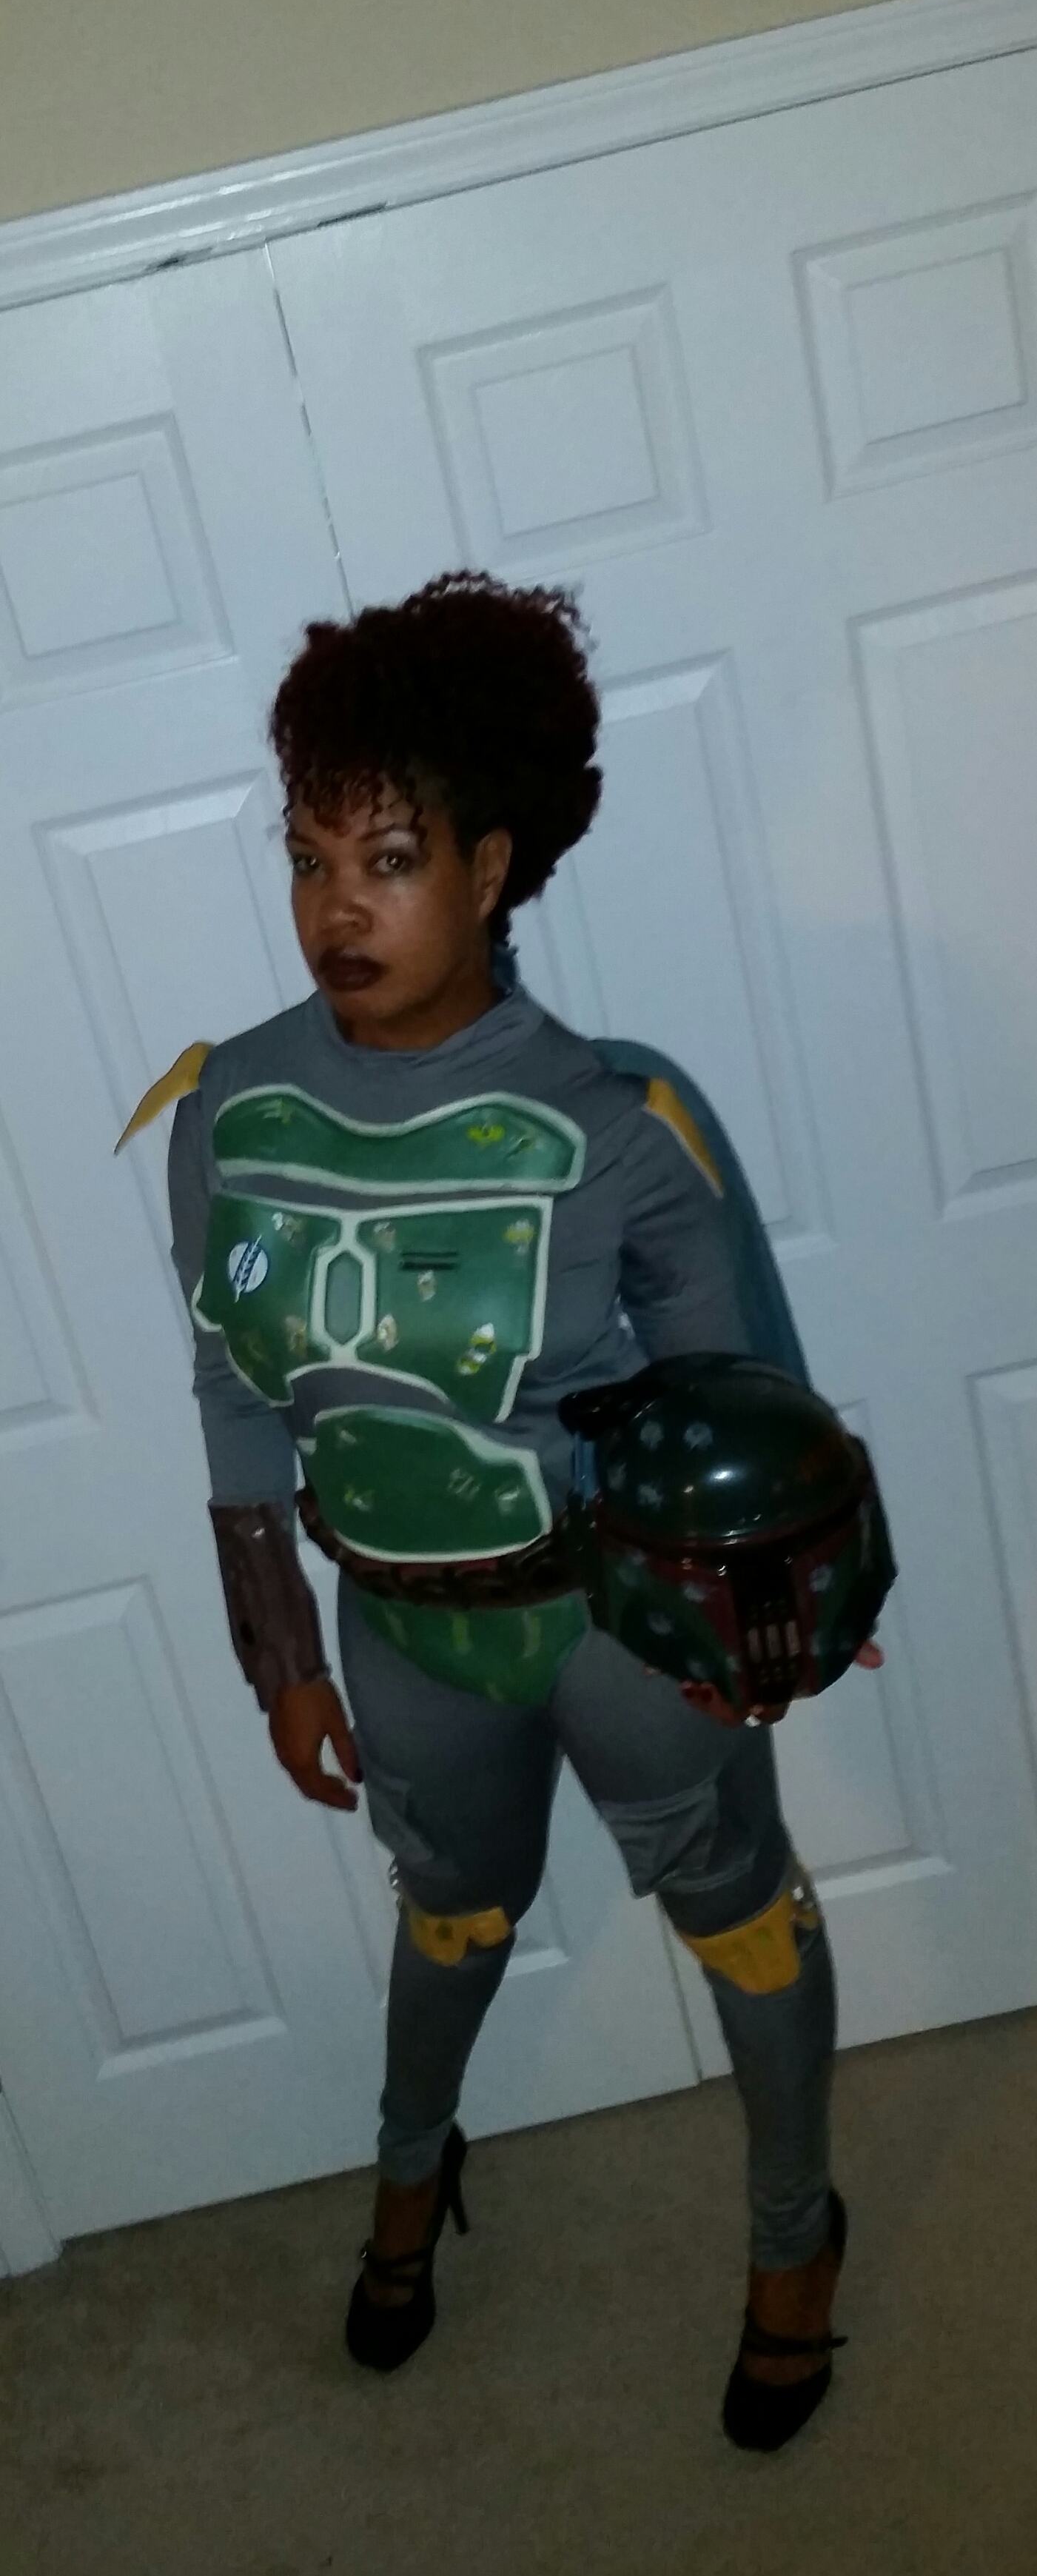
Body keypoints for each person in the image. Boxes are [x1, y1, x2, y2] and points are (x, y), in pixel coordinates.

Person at [132, 573, 882, 2452]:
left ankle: (792, 2240)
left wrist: (771, 1610)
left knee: (740, 1921)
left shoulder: (620, 1122)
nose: (336, 909)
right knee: (446, 1916)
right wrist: (277, 1653)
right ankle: (409, 2177)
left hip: (617, 1629)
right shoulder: (230, 1111)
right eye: (309, 859)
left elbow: (738, 1411)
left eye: (387, 859)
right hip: (399, 1635)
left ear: (489, 865)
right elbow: (232, 1387)